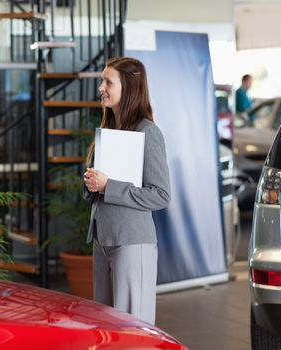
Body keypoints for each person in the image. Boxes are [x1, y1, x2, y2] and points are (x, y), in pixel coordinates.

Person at [83, 57, 170, 325]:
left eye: (108, 82)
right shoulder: (109, 129)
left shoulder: (148, 132)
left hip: (131, 243)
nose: (101, 87)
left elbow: (160, 195)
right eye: (102, 81)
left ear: (129, 88)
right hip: (104, 240)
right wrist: (91, 183)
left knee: (133, 328)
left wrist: (109, 186)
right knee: (108, 326)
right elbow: (99, 187)